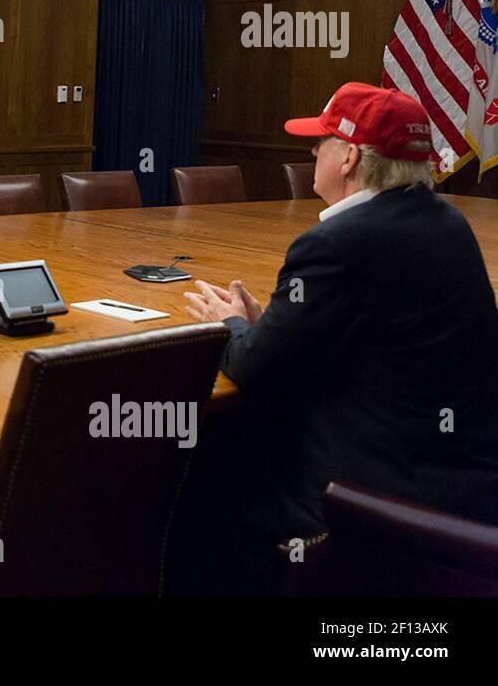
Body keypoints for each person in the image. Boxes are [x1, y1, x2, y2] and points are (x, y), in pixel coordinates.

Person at [180, 82, 498, 592]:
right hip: (463, 478)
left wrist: (230, 326)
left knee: (200, 483)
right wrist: (274, 328)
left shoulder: (336, 242)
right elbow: (372, 336)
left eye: (321, 141)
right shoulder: (447, 223)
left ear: (349, 157)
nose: (311, 151)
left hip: (373, 490)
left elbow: (251, 368)